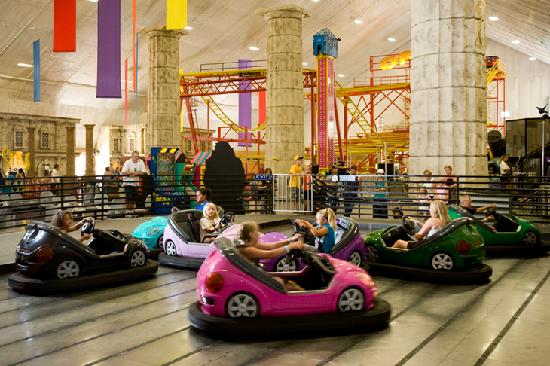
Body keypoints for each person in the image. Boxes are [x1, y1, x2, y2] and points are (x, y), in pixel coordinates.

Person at [237, 221, 305, 291]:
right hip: (253, 280)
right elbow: (270, 254)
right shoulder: (247, 250)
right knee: (287, 285)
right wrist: (289, 247)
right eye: (256, 232)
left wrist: (289, 240)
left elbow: (272, 246)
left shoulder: (252, 244)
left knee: (290, 284)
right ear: (250, 234)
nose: (258, 234)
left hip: (256, 276)